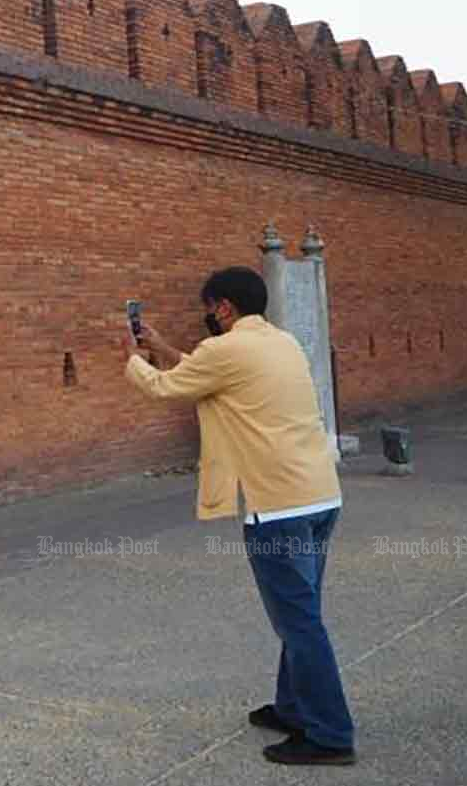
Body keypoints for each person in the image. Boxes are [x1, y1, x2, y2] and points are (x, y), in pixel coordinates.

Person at [123, 267, 354, 766]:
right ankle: (294, 707)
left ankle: (331, 734)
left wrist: (134, 360)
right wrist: (162, 346)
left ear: (223, 308)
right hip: (319, 497)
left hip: (278, 509)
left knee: (300, 624)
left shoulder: (225, 351)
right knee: (302, 613)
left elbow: (169, 388)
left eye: (209, 309)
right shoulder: (281, 343)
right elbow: (209, 374)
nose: (208, 317)